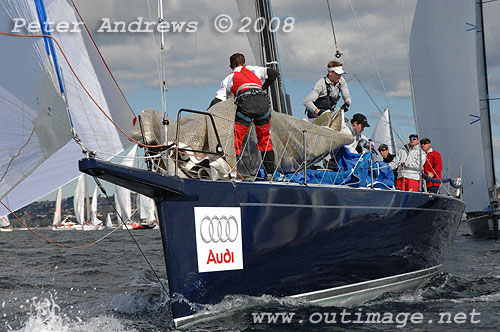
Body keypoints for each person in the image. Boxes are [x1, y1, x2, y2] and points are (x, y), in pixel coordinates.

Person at [209, 53, 280, 177]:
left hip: (246, 106)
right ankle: (270, 174)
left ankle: (233, 173)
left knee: (236, 141)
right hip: (263, 105)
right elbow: (274, 73)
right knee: (265, 140)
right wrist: (263, 88)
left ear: (231, 66)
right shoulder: (254, 69)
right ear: (244, 63)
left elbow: (217, 101)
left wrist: (207, 113)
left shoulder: (229, 78)